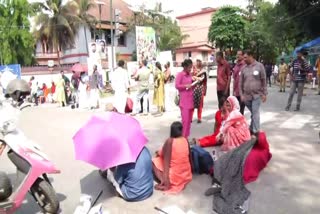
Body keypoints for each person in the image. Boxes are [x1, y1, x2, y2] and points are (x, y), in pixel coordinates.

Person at [152, 121, 192, 193]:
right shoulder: (185, 139)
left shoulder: (170, 141)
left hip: (175, 178)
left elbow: (166, 162)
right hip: (187, 175)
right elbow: (190, 157)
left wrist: (167, 184)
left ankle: (162, 181)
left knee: (154, 161)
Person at [240, 50, 267, 136]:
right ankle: (252, 128)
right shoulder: (243, 68)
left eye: (245, 57)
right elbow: (240, 83)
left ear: (251, 56)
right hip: (246, 97)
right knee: (254, 113)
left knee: (255, 113)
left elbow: (263, 80)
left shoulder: (259, 66)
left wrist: (264, 93)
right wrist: (241, 95)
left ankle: (256, 132)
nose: (244, 59)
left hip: (257, 95)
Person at [175, 59, 194, 138]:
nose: (190, 69)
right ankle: (183, 138)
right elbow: (177, 85)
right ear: (185, 67)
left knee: (189, 121)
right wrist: (185, 86)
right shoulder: (180, 75)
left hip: (190, 100)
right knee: (185, 121)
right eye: (189, 67)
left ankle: (186, 137)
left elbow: (190, 85)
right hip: (184, 101)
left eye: (191, 67)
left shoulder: (189, 75)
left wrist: (195, 83)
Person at [191, 58, 207, 123]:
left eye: (200, 61)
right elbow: (191, 77)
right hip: (194, 88)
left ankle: (199, 118)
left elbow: (202, 79)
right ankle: (190, 118)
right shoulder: (193, 69)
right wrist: (197, 78)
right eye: (198, 61)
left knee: (200, 104)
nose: (199, 62)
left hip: (201, 89)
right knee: (192, 104)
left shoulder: (203, 70)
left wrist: (196, 78)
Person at [232, 50, 246, 114]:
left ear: (243, 56)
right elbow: (234, 79)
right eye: (237, 54)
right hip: (236, 92)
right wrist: (233, 91)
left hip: (243, 92)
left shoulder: (245, 65)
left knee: (241, 110)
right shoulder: (236, 65)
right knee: (236, 109)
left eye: (240, 54)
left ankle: (240, 123)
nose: (238, 56)